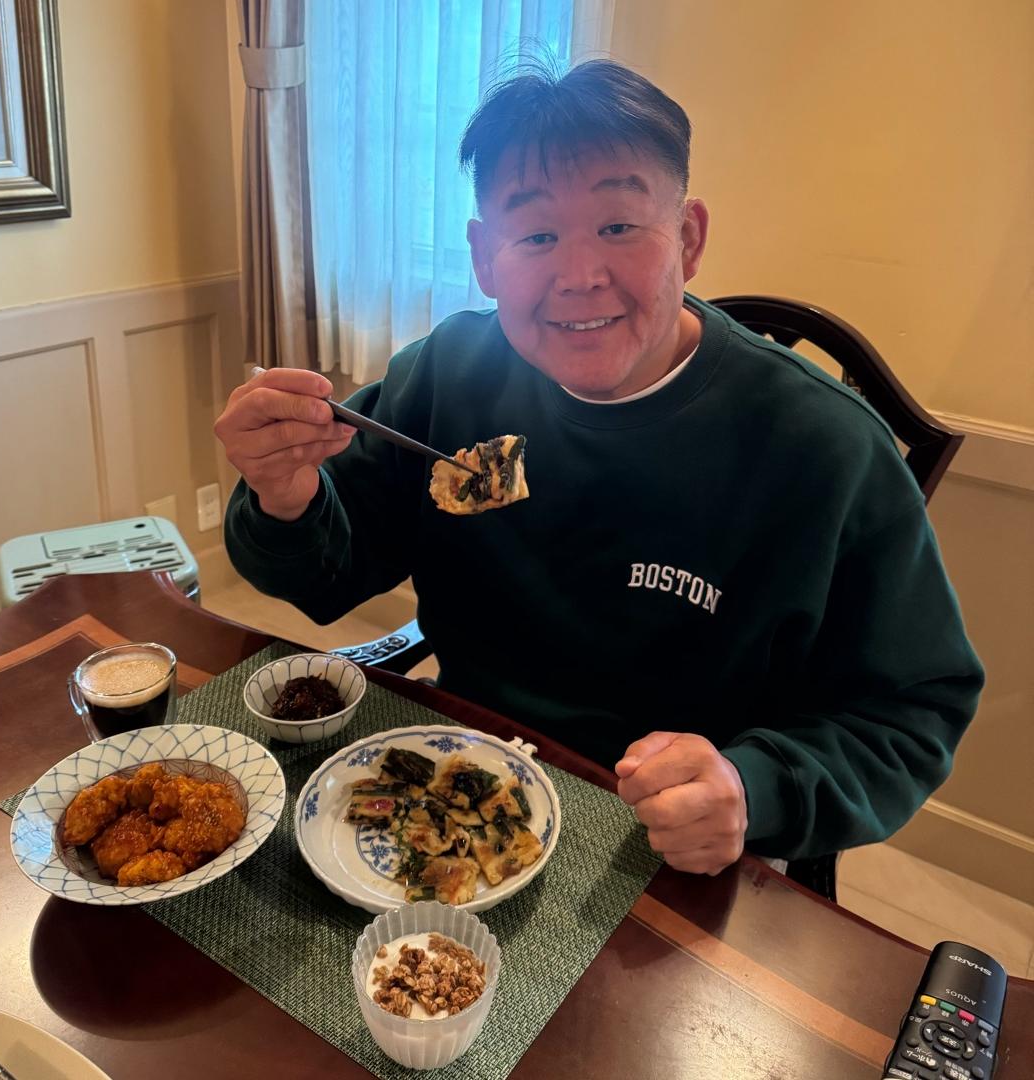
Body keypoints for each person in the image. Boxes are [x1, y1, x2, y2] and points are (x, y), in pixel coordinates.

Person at [215, 60, 983, 877]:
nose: (580, 277)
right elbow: (327, 576)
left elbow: (913, 710)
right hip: (463, 784)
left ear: (688, 237)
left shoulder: (822, 445)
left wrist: (751, 787)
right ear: (484, 256)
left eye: (618, 225)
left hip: (677, 848)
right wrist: (285, 497)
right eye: (537, 235)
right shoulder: (449, 374)